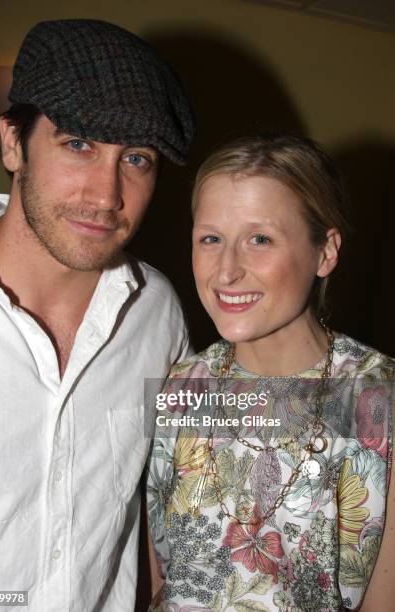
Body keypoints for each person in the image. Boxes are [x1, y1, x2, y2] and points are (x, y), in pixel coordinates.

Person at [0, 19, 195, 612]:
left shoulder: (159, 312)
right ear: (13, 143)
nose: (107, 195)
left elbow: (169, 489)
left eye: (137, 159)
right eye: (78, 145)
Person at [147, 133, 395, 611]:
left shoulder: (377, 398)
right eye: (211, 239)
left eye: (260, 239)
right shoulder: (180, 385)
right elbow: (156, 579)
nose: (226, 271)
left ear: (326, 252)